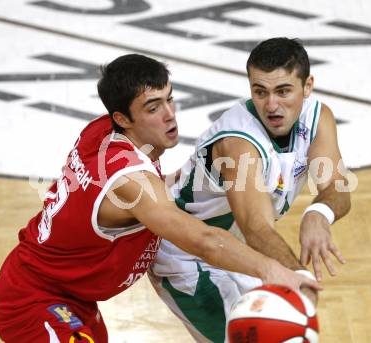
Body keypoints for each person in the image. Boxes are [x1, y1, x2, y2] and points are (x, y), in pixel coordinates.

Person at [0, 53, 320, 343]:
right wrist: (272, 270)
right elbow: (202, 240)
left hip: (76, 298)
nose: (169, 114)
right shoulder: (130, 181)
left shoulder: (108, 133)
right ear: (121, 118)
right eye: (152, 107)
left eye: (169, 99)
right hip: (35, 300)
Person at [149, 37, 351, 343]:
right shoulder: (239, 143)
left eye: (283, 91)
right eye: (260, 92)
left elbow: (337, 187)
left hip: (240, 251)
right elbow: (256, 227)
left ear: (307, 87)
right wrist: (303, 278)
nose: (271, 105)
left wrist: (318, 213)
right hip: (189, 255)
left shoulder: (317, 117)